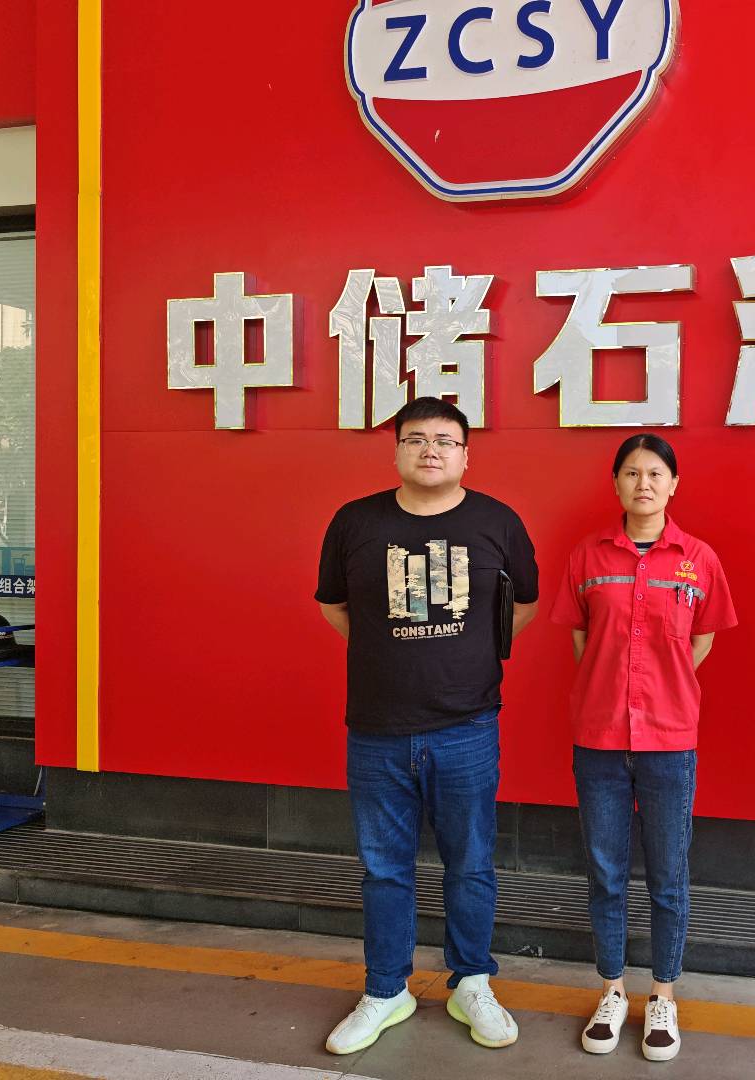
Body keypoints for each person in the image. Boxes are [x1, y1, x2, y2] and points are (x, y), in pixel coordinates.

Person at [315, 396, 539, 1054]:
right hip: (377, 729)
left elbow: (523, 604)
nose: (430, 450)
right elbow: (335, 606)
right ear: (396, 452)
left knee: (470, 864)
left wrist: (460, 660)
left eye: (445, 440)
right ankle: (387, 989)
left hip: (467, 726)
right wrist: (393, 655)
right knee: (384, 869)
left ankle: (472, 981)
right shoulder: (355, 521)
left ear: (467, 455)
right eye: (415, 439)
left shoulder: (498, 522)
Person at [550, 433, 737, 1062]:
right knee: (605, 871)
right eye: (632, 473)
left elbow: (703, 638)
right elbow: (581, 638)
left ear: (673, 484)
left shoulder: (698, 559)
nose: (644, 484)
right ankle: (611, 990)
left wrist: (665, 683)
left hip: (670, 738)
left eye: (656, 473)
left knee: (667, 873)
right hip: (599, 736)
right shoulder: (588, 555)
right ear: (616, 484)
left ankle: (662, 995)